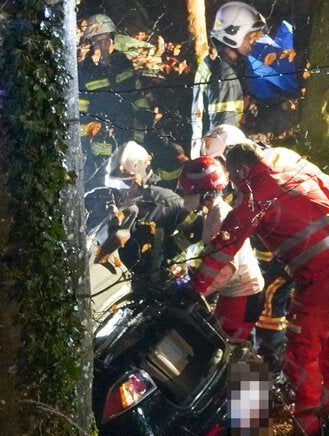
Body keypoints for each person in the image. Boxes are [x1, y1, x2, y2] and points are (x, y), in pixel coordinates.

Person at [193, 141, 329, 436]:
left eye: (235, 175)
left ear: (243, 169)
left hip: (321, 275)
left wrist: (193, 289)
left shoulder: (253, 199)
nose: (234, 182)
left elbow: (222, 252)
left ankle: (308, 427)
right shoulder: (294, 171)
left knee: (302, 350)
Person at [202, 124, 329, 372]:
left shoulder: (253, 189)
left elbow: (254, 247)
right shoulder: (273, 156)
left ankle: (271, 362)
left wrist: (197, 287)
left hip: (325, 231)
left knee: (275, 290)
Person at [178, 155, 264, 342]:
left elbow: (226, 269)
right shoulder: (214, 213)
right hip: (236, 292)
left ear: (204, 193)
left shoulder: (219, 218)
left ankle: (259, 372)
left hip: (243, 294)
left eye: (188, 192)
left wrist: (196, 293)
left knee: (225, 348)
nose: (184, 196)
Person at [95, 141, 196, 295]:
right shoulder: (128, 206)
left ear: (141, 176)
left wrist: (166, 265)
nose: (120, 191)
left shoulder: (168, 203)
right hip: (129, 281)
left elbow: (190, 238)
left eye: (124, 184)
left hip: (156, 288)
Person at [78, 14, 150, 189]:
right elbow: (81, 112)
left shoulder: (122, 62)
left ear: (112, 40)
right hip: (101, 145)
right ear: (90, 45)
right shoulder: (85, 72)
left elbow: (138, 95)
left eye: (106, 40)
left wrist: (145, 119)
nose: (102, 46)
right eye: (97, 42)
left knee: (132, 183)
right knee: (104, 186)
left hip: (127, 133)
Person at [189, 2, 266, 158]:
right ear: (233, 34)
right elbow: (223, 138)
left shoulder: (211, 63)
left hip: (202, 157)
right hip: (218, 163)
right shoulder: (226, 78)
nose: (255, 41)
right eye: (251, 35)